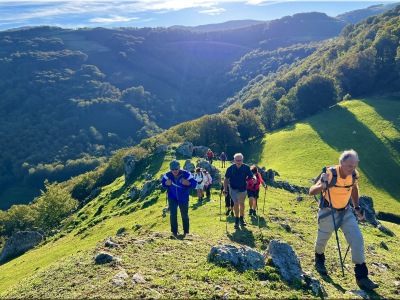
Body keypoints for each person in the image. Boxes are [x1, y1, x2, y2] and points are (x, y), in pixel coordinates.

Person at [309, 150, 379, 289]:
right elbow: (311, 191)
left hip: (346, 212)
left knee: (357, 239)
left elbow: (354, 188)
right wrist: (322, 185)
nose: (352, 169)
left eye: (355, 166)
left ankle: (361, 276)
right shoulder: (330, 173)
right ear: (341, 162)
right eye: (349, 166)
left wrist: (357, 207)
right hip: (328, 212)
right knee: (322, 239)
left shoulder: (354, 175)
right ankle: (319, 259)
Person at [162, 160, 197, 236]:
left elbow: (195, 183)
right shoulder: (168, 175)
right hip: (172, 197)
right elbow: (163, 183)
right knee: (173, 214)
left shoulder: (186, 174)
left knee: (184, 215)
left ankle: (186, 232)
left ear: (180, 167)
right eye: (172, 169)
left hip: (183, 198)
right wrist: (166, 183)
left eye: (176, 169)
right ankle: (174, 232)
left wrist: (188, 183)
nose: (174, 171)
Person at [223, 153, 253, 229]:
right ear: (234, 160)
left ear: (242, 160)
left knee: (242, 204)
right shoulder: (231, 168)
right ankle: (236, 220)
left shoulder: (246, 168)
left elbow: (251, 176)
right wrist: (225, 190)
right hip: (233, 188)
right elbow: (225, 179)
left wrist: (254, 179)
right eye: (237, 160)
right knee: (236, 202)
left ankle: (241, 219)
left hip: (243, 188)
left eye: (240, 160)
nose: (239, 162)